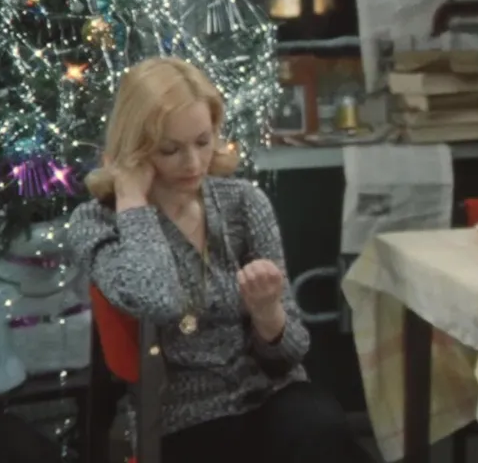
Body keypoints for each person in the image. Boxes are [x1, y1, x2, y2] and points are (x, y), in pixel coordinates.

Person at [65, 58, 371, 463]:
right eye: (171, 149)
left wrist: (268, 315)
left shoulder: (242, 203)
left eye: (203, 142)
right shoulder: (98, 222)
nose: (193, 163)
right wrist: (133, 202)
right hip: (184, 419)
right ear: (135, 148)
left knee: (322, 428)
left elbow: (292, 353)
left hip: (270, 396)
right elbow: (158, 300)